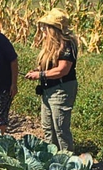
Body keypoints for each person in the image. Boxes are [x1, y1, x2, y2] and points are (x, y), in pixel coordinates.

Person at [25, 8, 78, 152]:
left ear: (54, 28)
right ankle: (53, 157)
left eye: (45, 27)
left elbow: (63, 70)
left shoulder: (67, 45)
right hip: (48, 89)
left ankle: (68, 160)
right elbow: (49, 65)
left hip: (61, 89)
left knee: (60, 127)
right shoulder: (51, 44)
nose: (42, 30)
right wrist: (38, 70)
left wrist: (41, 75)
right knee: (48, 127)